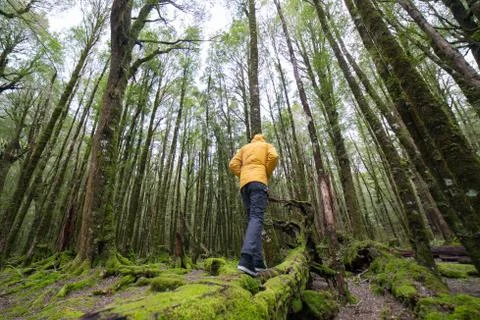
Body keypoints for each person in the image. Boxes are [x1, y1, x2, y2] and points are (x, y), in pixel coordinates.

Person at [229, 133, 278, 276]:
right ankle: (246, 258)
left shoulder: (244, 148)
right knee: (257, 218)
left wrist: (244, 174)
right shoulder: (266, 145)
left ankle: (257, 263)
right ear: (263, 138)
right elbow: (274, 157)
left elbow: (232, 164)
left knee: (253, 220)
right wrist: (265, 172)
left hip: (244, 185)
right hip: (258, 182)